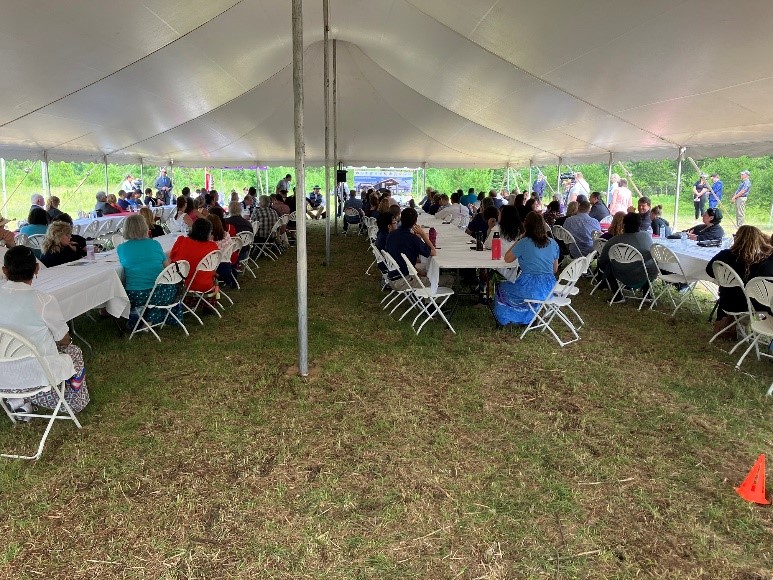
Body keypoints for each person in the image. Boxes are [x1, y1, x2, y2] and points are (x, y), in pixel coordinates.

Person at [0, 246, 90, 415]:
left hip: (3, 377)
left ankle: (19, 399)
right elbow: (63, 338)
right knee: (73, 351)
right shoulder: (44, 300)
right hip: (37, 375)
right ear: (37, 269)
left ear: (4, 270)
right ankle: (73, 403)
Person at [493, 212, 559, 326]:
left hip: (529, 286)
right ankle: (530, 316)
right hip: (549, 289)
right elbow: (555, 269)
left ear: (526, 226)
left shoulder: (524, 242)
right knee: (525, 295)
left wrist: (519, 240)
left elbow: (507, 259)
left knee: (502, 287)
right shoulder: (553, 243)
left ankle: (512, 317)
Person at [706, 226, 773, 336]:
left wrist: (724, 280)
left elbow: (709, 270)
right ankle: (757, 327)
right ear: (758, 240)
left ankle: (738, 325)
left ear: (737, 238)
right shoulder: (761, 261)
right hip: (749, 306)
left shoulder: (724, 255)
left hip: (726, 301)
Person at [117, 214, 176, 330]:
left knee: (122, 284)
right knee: (171, 289)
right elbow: (167, 268)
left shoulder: (121, 248)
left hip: (135, 295)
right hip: (160, 293)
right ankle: (150, 317)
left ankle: (138, 315)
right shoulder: (154, 244)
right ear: (145, 227)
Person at [597, 212, 658, 297]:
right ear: (640, 224)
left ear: (624, 224)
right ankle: (646, 294)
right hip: (647, 275)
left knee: (608, 265)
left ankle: (618, 296)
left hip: (622, 275)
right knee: (646, 264)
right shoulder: (646, 236)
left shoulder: (614, 241)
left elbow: (603, 259)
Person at [384, 207, 437, 289]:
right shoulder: (413, 239)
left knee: (426, 268)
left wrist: (419, 272)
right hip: (404, 281)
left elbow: (402, 260)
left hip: (392, 277)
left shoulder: (391, 235)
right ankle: (429, 300)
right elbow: (433, 252)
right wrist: (423, 234)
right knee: (447, 279)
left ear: (400, 218)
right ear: (415, 222)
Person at [170, 218, 220, 297]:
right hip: (207, 284)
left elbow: (172, 259)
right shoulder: (213, 247)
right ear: (208, 232)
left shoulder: (182, 241)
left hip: (185, 283)